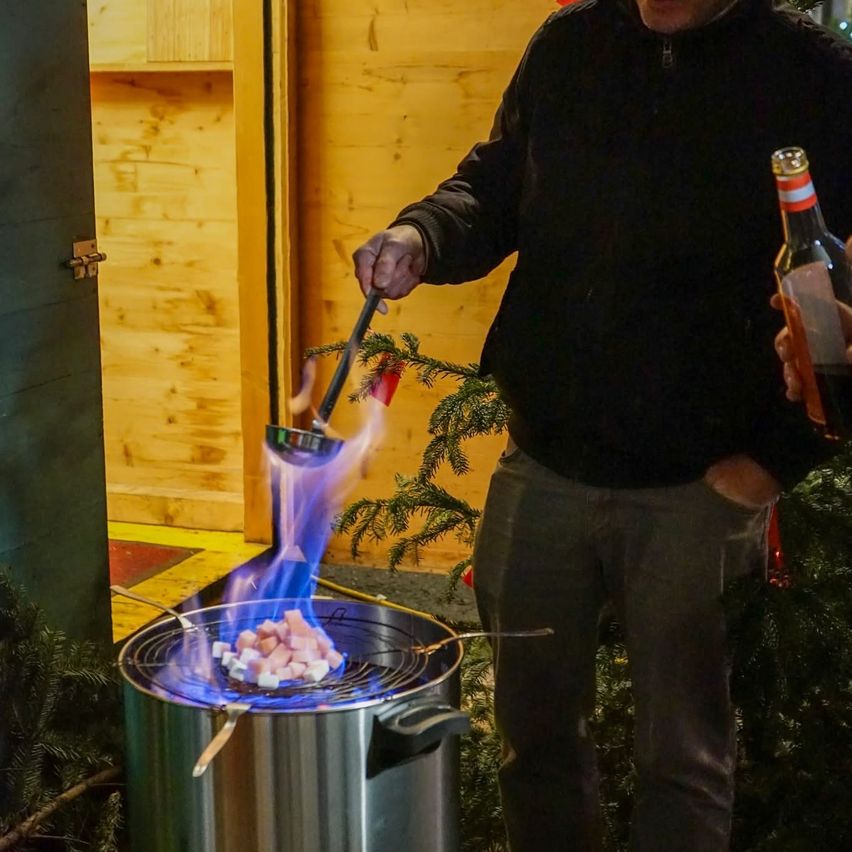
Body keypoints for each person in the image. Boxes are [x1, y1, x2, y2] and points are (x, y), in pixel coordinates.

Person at [352, 0, 852, 848]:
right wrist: (422, 234)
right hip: (541, 466)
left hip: (700, 488)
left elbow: (839, 300)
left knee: (683, 761)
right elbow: (496, 184)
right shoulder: (568, 46)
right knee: (533, 745)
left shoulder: (810, 72)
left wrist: (770, 464)